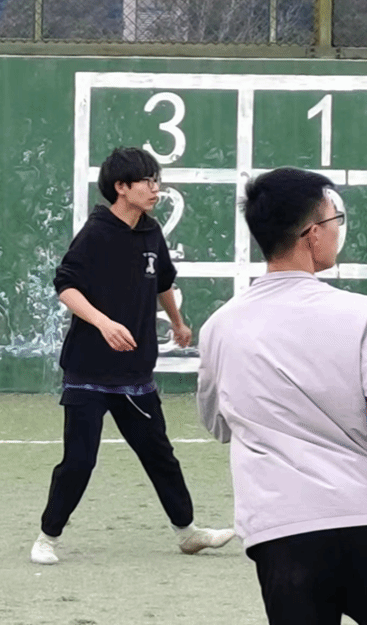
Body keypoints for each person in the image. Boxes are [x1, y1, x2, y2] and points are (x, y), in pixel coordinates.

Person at [197, 167, 367, 625]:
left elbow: (217, 422)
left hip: (280, 529)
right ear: (313, 234)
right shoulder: (361, 314)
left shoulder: (219, 326)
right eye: (336, 220)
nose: (338, 230)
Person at [31, 146, 234, 564]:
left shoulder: (151, 231)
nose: (155, 188)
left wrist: (178, 322)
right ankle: (46, 538)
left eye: (156, 180)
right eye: (146, 181)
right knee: (79, 461)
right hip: (88, 372)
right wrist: (103, 324)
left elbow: (162, 281)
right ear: (121, 187)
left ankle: (187, 533)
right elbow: (66, 286)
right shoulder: (96, 233)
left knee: (159, 454)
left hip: (135, 373)